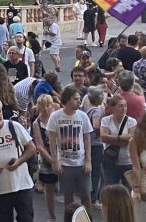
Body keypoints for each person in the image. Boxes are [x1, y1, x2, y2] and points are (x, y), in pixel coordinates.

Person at [48, 85, 93, 218]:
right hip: (65, 164)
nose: (79, 101)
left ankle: (88, 219)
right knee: (68, 197)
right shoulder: (56, 117)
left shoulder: (83, 116)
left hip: (81, 163)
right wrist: (55, 161)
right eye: (76, 99)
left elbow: (87, 139)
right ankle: (69, 219)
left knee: (86, 195)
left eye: (79, 99)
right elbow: (52, 141)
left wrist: (88, 160)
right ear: (67, 100)